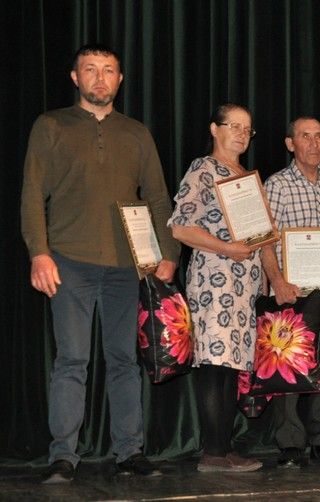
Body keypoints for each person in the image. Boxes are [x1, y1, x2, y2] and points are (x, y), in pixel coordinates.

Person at [21, 43, 178, 483]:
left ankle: (130, 451)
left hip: (126, 266)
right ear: (75, 78)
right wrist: (39, 252)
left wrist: (168, 254)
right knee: (72, 360)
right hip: (69, 261)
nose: (100, 78)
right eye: (90, 69)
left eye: (108, 70)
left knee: (125, 360)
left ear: (120, 79)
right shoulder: (50, 125)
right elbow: (33, 193)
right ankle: (63, 456)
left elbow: (159, 195)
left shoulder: (136, 132)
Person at [169, 103, 263, 472]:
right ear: (214, 128)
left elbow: (260, 237)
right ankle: (212, 453)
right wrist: (227, 248)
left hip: (244, 287)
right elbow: (180, 227)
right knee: (214, 364)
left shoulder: (246, 176)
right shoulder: (203, 169)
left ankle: (223, 449)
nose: (241, 133)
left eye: (247, 128)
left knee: (230, 367)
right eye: (233, 125)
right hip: (215, 280)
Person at [260, 116, 320, 468]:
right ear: (290, 143)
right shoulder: (277, 185)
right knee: (289, 368)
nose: (313, 143)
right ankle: (290, 441)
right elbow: (264, 240)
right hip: (292, 292)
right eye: (304, 136)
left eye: (318, 137)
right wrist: (277, 281)